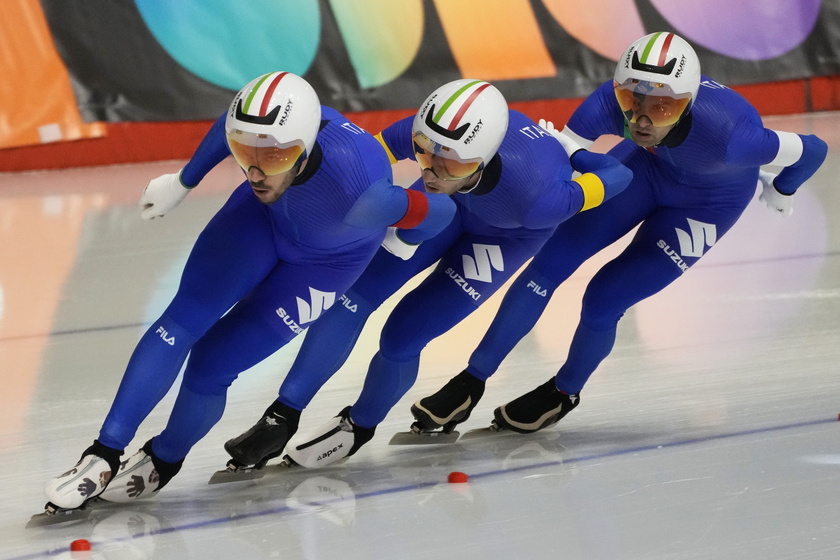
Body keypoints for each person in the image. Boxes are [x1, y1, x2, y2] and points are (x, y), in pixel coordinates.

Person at [42, 71, 456, 512]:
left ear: (304, 150)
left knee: (211, 365)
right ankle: (102, 454)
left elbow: (441, 211)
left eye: (274, 159)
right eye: (247, 155)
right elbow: (231, 126)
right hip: (261, 223)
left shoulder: (367, 194)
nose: (256, 172)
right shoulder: (264, 142)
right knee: (179, 322)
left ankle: (165, 457)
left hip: (326, 265)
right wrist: (184, 182)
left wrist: (403, 241)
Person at [409, 31, 829, 436]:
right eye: (632, 101)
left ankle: (563, 392)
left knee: (603, 299)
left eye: (661, 109)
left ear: (687, 104)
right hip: (643, 170)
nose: (642, 118)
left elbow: (814, 149)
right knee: (545, 268)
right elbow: (563, 164)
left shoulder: (734, 139)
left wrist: (783, 186)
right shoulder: (609, 103)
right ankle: (471, 381)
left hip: (708, 205)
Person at [219, 78, 633, 471]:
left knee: (403, 335)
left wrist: (574, 153)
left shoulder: (543, 198)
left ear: (484, 159)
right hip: (439, 212)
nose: (432, 173)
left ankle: (360, 426)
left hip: (507, 235)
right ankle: (282, 415)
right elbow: (362, 163)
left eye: (451, 165)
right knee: (351, 296)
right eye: (426, 156)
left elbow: (620, 175)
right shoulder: (428, 135)